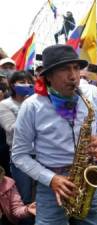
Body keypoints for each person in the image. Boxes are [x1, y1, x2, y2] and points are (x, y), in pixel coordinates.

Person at [11, 44, 97, 225]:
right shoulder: (32, 105)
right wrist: (51, 179)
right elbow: (19, 155)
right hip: (52, 184)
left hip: (88, 179)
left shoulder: (93, 93)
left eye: (76, 68)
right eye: (65, 69)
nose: (73, 76)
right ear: (49, 76)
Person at [0, 71, 35, 225]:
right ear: (13, 85)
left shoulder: (37, 102)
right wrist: (27, 108)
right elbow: (11, 128)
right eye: (21, 82)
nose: (26, 84)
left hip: (41, 154)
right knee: (24, 197)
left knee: (41, 195)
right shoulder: (5, 105)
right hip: (21, 157)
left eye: (29, 81)